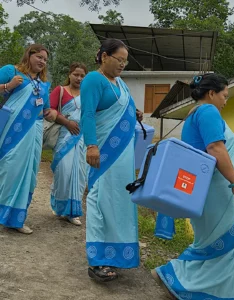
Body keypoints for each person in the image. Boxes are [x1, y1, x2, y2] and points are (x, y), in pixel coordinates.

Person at [152, 73, 234, 300]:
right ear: (211, 94)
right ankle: (176, 276)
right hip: (219, 192)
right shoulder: (208, 112)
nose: (226, 101)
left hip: (208, 191)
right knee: (227, 249)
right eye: (224, 95)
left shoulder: (194, 115)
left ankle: (185, 281)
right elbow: (216, 148)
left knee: (215, 247)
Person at [80, 39, 143, 282]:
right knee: (99, 199)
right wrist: (92, 145)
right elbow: (87, 114)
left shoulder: (120, 83)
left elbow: (123, 106)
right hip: (104, 152)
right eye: (120, 60)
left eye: (125, 62)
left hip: (123, 155)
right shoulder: (94, 80)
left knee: (118, 200)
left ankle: (115, 253)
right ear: (104, 56)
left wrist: (134, 111)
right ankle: (97, 260)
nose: (123, 65)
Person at [0, 44, 57, 234]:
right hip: (12, 131)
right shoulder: (12, 71)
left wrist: (50, 113)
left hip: (34, 132)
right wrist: (8, 86)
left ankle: (15, 218)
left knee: (28, 173)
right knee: (9, 168)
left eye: (45, 60)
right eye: (39, 57)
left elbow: (46, 109)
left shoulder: (44, 84)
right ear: (29, 55)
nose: (42, 61)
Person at [49, 62, 88, 226]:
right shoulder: (60, 90)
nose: (78, 78)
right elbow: (48, 110)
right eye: (76, 74)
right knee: (63, 172)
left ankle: (73, 212)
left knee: (80, 174)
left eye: (82, 75)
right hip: (64, 136)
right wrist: (67, 122)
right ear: (69, 74)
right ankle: (60, 207)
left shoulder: (88, 94)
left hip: (83, 138)